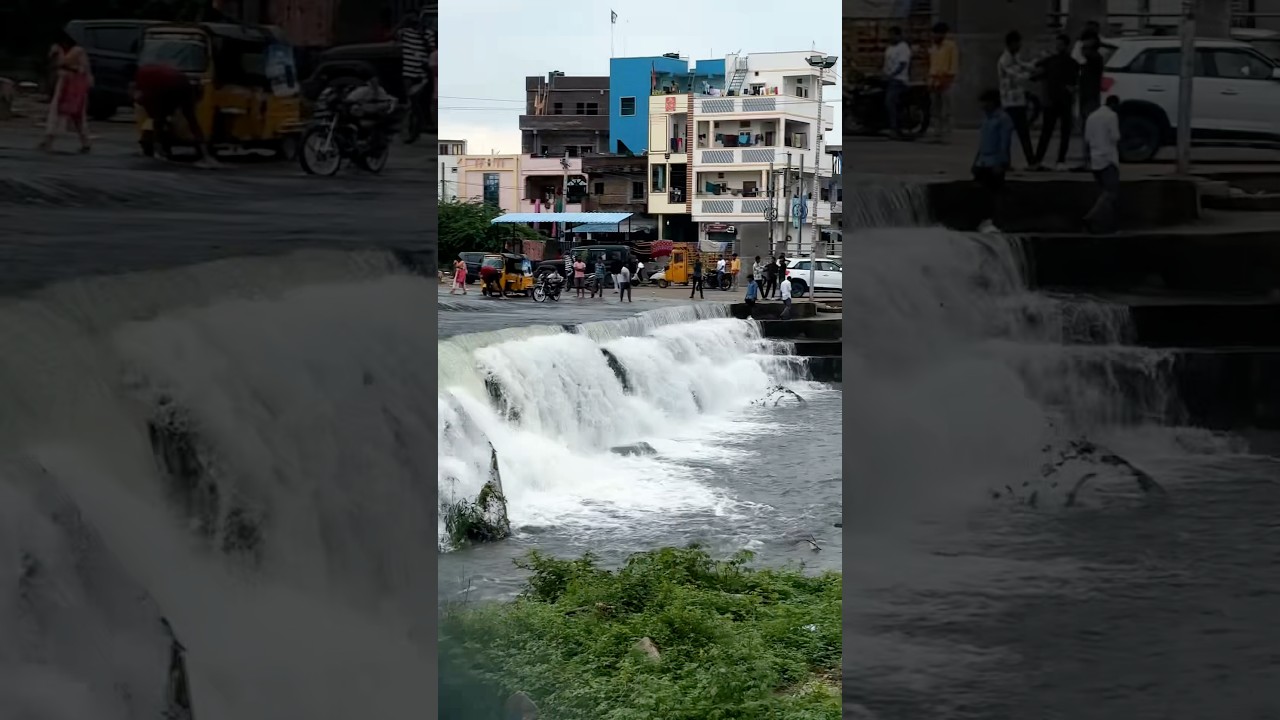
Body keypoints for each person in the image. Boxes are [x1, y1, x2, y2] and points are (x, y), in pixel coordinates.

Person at [134, 56, 212, 164]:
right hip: (178, 84)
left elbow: (144, 99)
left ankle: (159, 149)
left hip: (166, 88)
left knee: (158, 120)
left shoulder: (142, 78)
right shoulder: (152, 71)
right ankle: (204, 153)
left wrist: (157, 114)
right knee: (191, 119)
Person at [39, 32, 93, 154]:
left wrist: (63, 64)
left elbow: (82, 69)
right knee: (59, 112)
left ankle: (50, 139)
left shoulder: (78, 51)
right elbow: (52, 65)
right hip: (62, 84)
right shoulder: (58, 51)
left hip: (74, 86)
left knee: (72, 115)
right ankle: (50, 139)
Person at [1033, 33, 1079, 171]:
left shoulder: (1071, 63)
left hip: (1063, 101)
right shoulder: (1052, 61)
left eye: (1060, 44)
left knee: (1062, 132)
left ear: (1066, 45)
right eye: (1057, 44)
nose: (1058, 46)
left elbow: (1075, 82)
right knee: (1048, 132)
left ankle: (1058, 159)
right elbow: (1037, 69)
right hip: (1053, 101)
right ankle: (1040, 159)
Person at [973, 89, 1014, 233]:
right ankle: (985, 220)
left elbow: (1004, 143)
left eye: (985, 102)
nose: (982, 106)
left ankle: (997, 222)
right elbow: (982, 143)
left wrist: (1001, 163)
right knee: (982, 194)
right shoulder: (986, 119)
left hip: (994, 162)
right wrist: (975, 161)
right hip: (983, 161)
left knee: (996, 194)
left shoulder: (1003, 119)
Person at [997, 30, 1037, 169]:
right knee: (1011, 133)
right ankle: (1006, 162)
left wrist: (1034, 66)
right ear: (1011, 44)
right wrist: (1032, 75)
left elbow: (1023, 65)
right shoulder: (1005, 60)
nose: (1020, 46)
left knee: (1022, 132)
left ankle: (1030, 161)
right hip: (1010, 102)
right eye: (1017, 43)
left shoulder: (1015, 57)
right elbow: (1016, 75)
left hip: (1018, 100)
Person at [1083, 95, 1122, 234]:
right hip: (1108, 159)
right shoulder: (1112, 116)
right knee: (1111, 193)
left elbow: (1087, 139)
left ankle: (1107, 227)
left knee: (1103, 194)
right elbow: (1115, 137)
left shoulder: (1091, 117)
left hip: (1095, 159)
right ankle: (1091, 217)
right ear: (1114, 104)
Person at [1075, 30, 1105, 172]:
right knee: (1086, 130)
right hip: (1085, 97)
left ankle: (1091, 161)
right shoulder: (1088, 60)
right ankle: (1087, 160)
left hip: (1091, 98)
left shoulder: (1095, 58)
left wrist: (1081, 49)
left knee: (1090, 131)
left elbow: (1084, 56)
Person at [927, 22, 959, 144]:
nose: (935, 36)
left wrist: (948, 79)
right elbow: (932, 64)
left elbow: (954, 65)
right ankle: (937, 132)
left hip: (947, 79)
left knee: (947, 108)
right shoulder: (933, 47)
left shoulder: (951, 46)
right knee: (935, 108)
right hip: (935, 79)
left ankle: (947, 133)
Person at [882, 26, 912, 139]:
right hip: (888, 79)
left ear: (898, 35)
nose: (890, 37)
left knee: (890, 101)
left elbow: (902, 64)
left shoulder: (903, 48)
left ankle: (895, 128)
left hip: (899, 80)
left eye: (893, 35)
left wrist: (891, 75)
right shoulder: (890, 48)